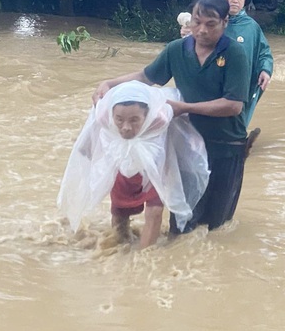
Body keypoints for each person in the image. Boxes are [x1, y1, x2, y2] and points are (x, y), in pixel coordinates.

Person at [93, 0, 250, 234]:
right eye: (197, 23)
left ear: (225, 23)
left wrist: (184, 108)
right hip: (186, 144)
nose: (202, 31)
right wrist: (110, 84)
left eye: (211, 24)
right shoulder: (177, 49)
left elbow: (233, 105)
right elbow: (147, 77)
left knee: (215, 226)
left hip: (226, 146)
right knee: (183, 221)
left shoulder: (234, 54)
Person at [57, 81, 209, 248]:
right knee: (120, 213)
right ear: (111, 115)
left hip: (154, 168)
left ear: (147, 115)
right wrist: (85, 151)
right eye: (119, 120)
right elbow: (89, 138)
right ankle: (118, 248)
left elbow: (181, 127)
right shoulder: (103, 116)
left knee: (155, 211)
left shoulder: (160, 118)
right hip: (122, 166)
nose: (126, 127)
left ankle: (144, 258)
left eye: (135, 120)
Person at [220, 0, 274, 155]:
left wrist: (265, 70)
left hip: (243, 84)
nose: (235, 0)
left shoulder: (252, 27)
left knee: (237, 118)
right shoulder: (213, 23)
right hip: (216, 81)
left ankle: (234, 149)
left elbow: (264, 53)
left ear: (244, 2)